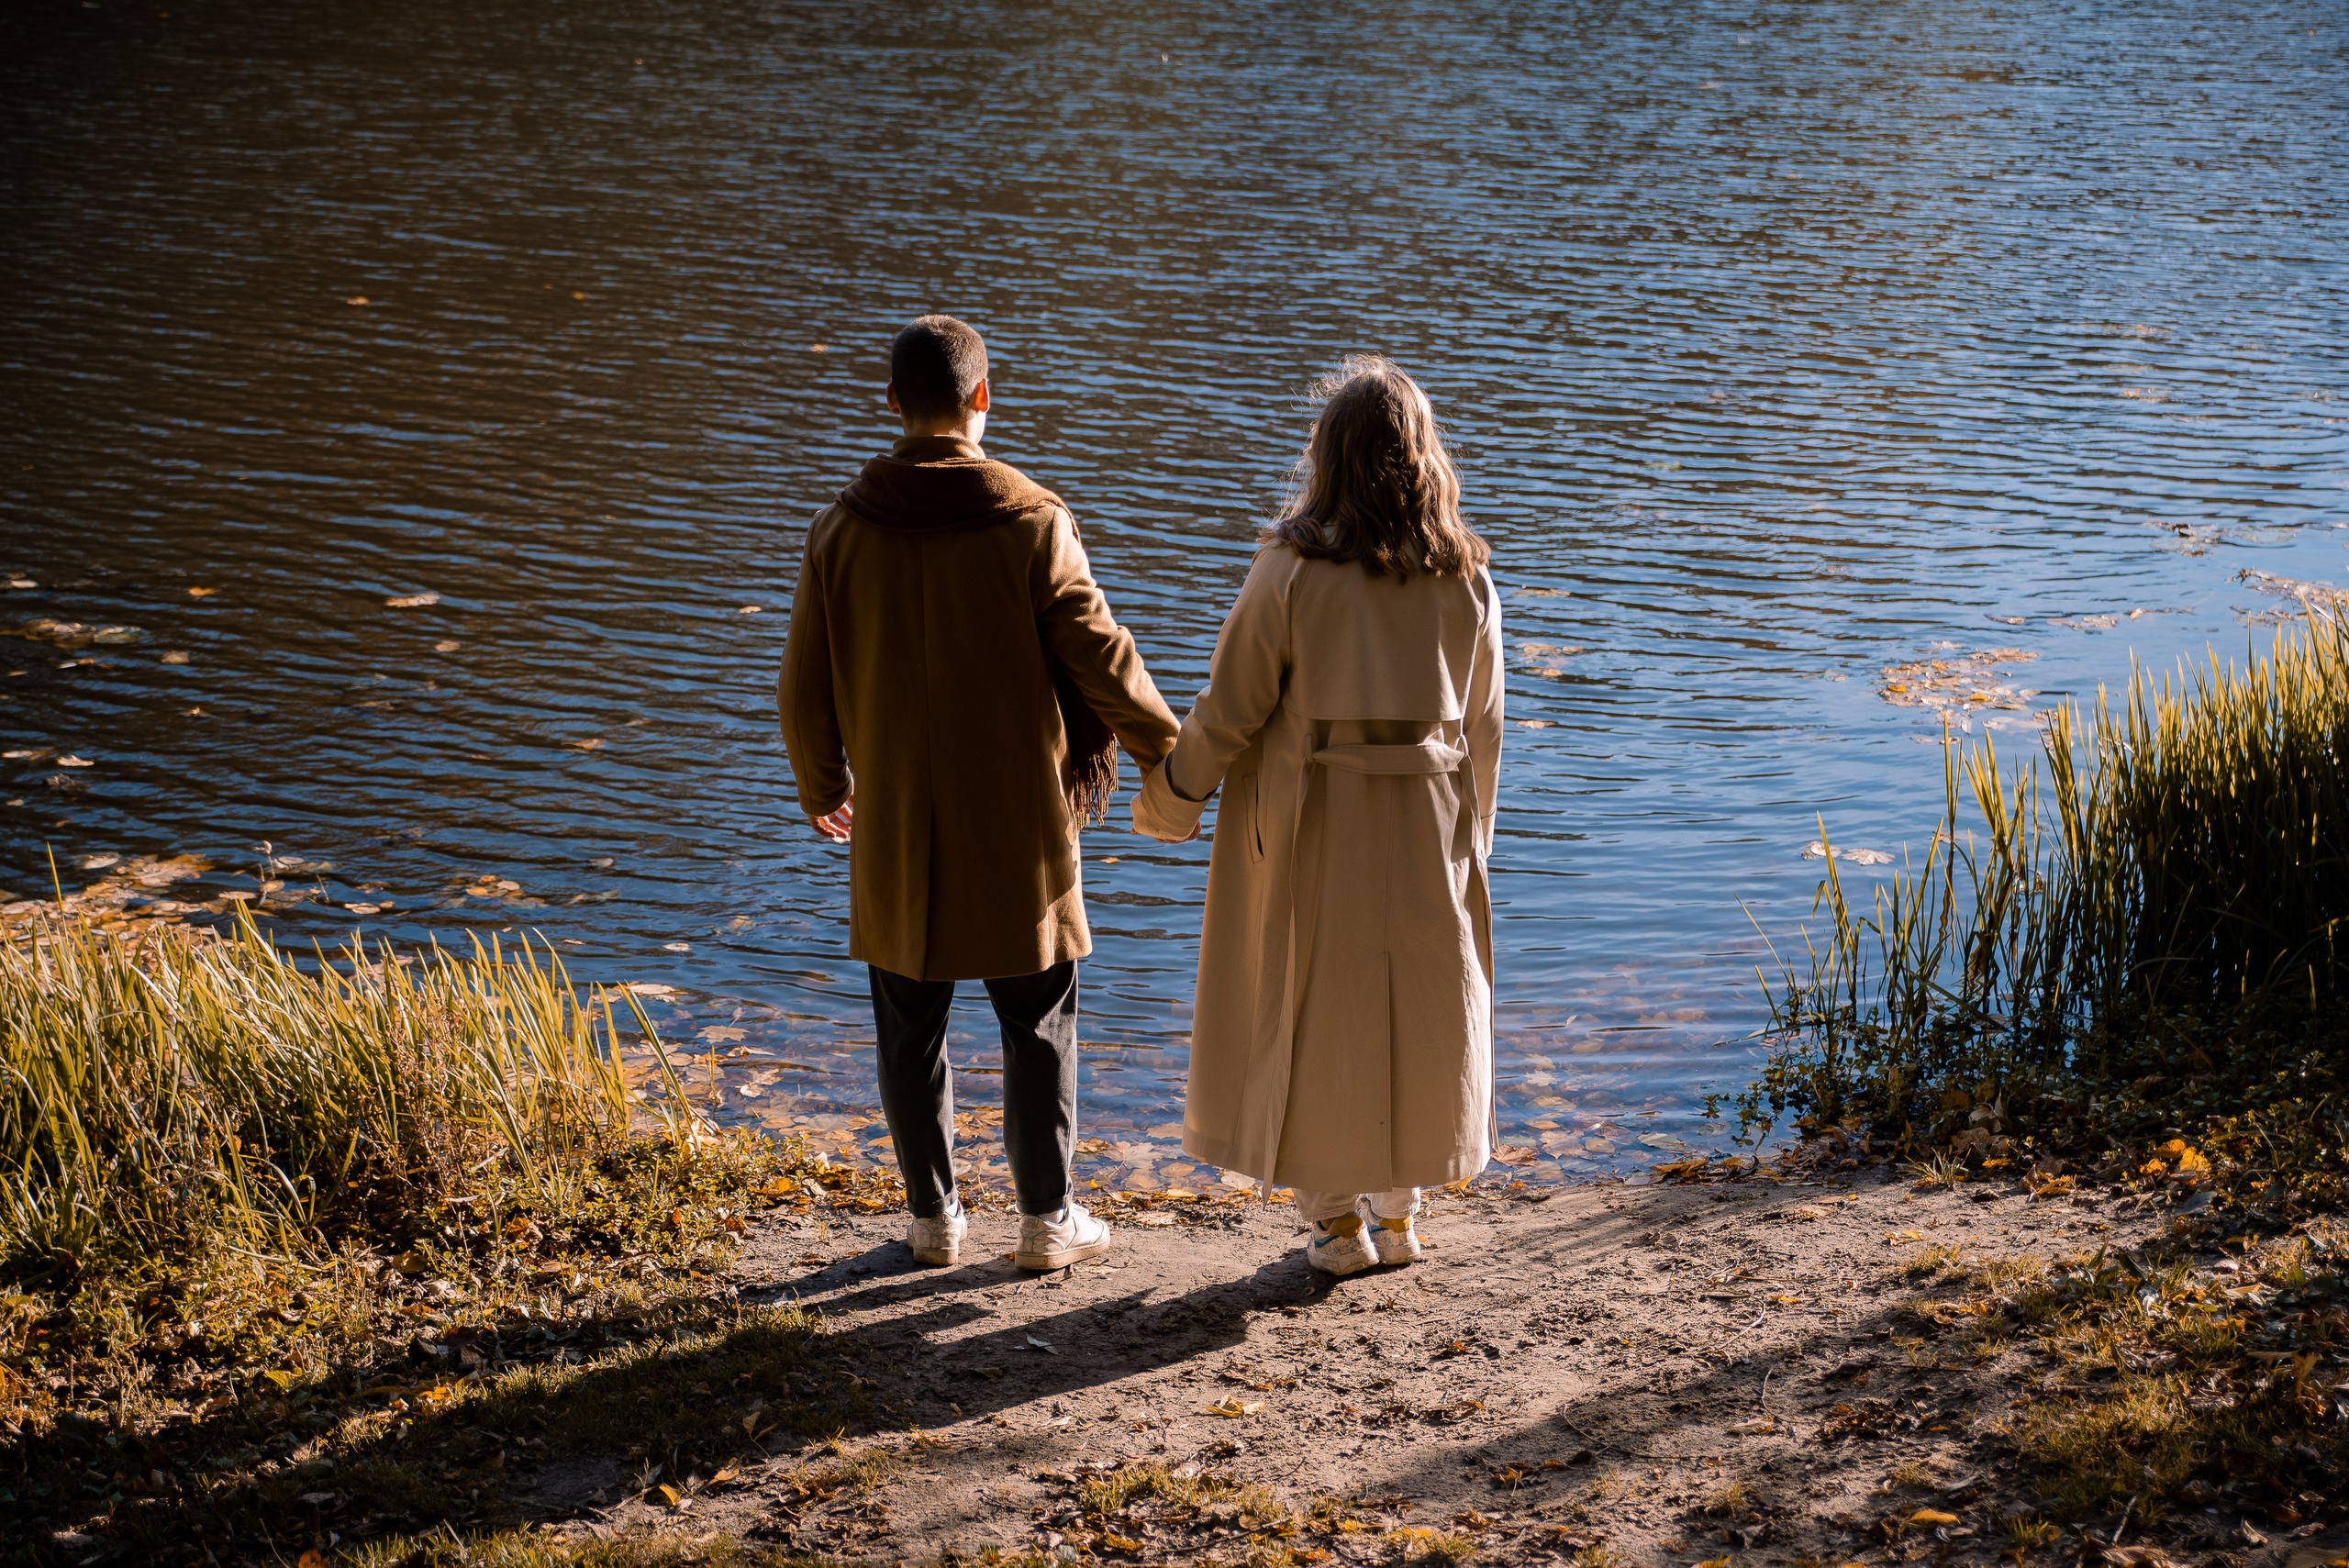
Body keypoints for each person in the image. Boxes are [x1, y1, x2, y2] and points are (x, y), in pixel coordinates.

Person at [777, 314, 1181, 1273]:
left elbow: (802, 684)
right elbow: (1102, 659)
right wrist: (1172, 754)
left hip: (898, 826)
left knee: (909, 1026)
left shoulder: (840, 527)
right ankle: (1046, 1221)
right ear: (982, 398)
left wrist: (822, 783)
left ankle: (933, 1218)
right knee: (1038, 1015)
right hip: (1017, 822)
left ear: (892, 406)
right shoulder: (1031, 520)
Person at [1132, 356, 1502, 1277]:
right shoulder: (1466, 578)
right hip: (1427, 820)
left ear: (1326, 456)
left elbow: (1230, 707)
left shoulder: (1292, 569)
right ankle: (1403, 1211)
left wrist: (1169, 801)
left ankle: (1338, 1224)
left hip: (1315, 821)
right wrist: (1471, 842)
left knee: (1315, 1006)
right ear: (1423, 457)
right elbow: (1484, 729)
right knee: (1415, 1008)